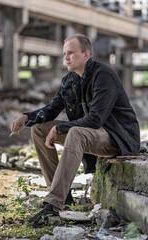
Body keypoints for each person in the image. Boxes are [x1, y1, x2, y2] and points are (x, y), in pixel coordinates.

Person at [10, 34, 140, 227]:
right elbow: (52, 109)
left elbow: (96, 119)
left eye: (71, 53)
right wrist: (27, 117)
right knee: (38, 129)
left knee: (75, 132)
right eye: (64, 54)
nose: (66, 58)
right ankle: (63, 195)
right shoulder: (70, 80)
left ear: (86, 54)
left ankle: (53, 205)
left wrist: (60, 127)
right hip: (93, 135)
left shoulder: (103, 75)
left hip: (117, 137)